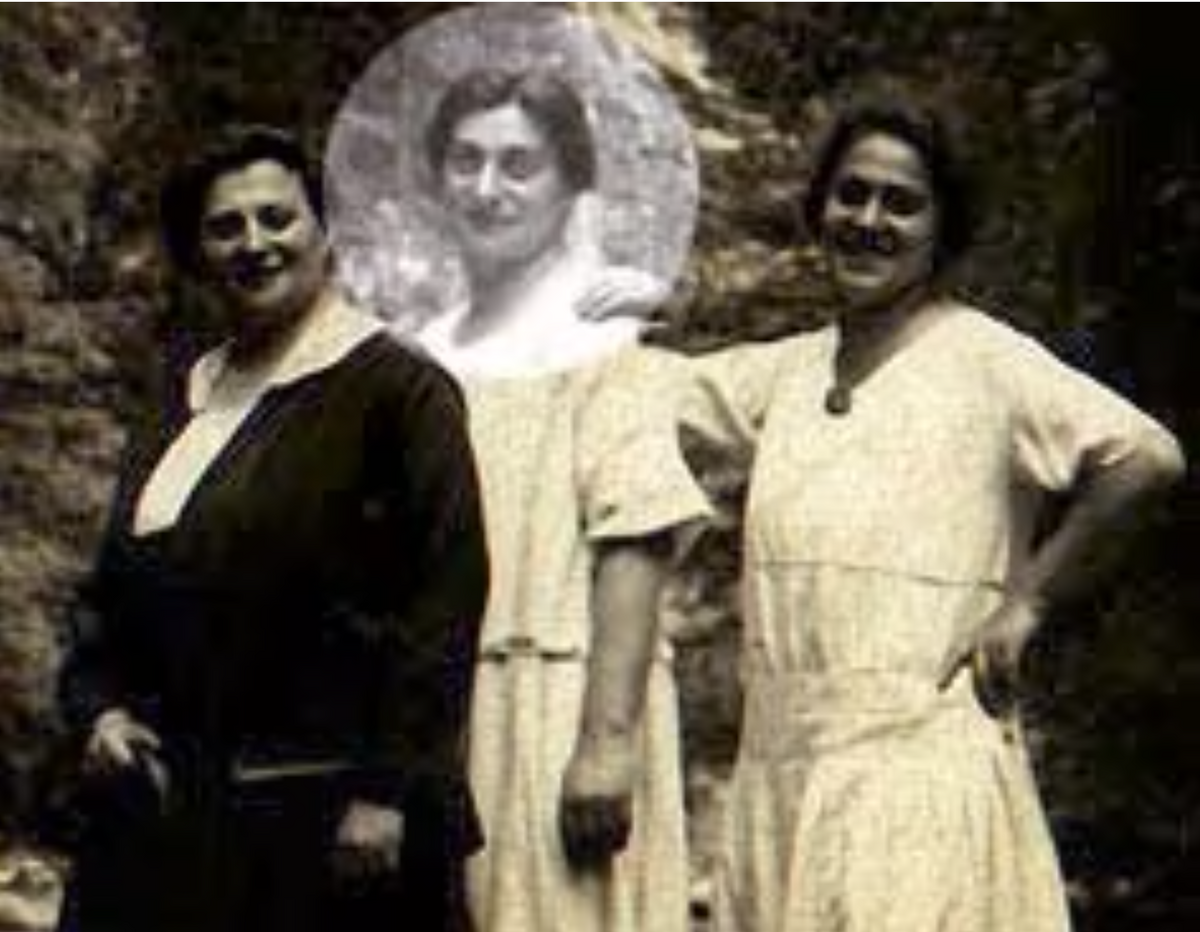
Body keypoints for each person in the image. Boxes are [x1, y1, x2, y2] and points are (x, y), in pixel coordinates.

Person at [676, 89, 1186, 932]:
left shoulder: (985, 361)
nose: (868, 220)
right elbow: (647, 397)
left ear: (942, 228)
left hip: (919, 772)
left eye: (901, 203)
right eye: (851, 194)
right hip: (783, 775)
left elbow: (1145, 457)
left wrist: (1028, 600)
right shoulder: (788, 374)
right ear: (820, 208)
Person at [56, 125, 488, 932]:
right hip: (176, 815)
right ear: (199, 254)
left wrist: (387, 791)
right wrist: (100, 709)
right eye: (226, 227)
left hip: (334, 822)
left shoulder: (400, 392)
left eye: (276, 218)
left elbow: (445, 600)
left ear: (326, 233)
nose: (254, 244)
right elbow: (113, 589)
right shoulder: (182, 393)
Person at [412, 68, 709, 932]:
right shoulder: (424, 354)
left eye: (518, 165)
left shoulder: (599, 337)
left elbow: (636, 538)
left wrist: (605, 745)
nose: (487, 188)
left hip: (564, 700)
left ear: (570, 184)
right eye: (466, 161)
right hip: (445, 716)